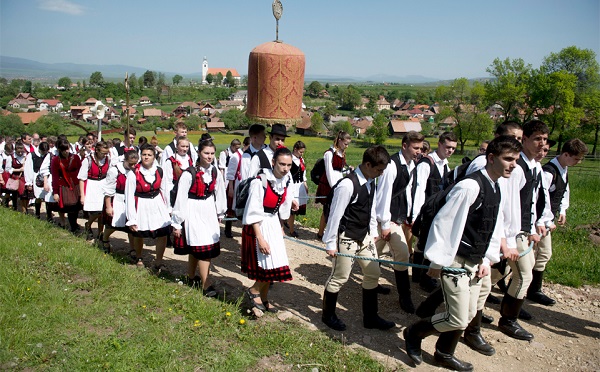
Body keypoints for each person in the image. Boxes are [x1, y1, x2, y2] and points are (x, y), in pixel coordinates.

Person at [404, 135, 522, 371]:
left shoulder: (496, 186)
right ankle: (414, 333)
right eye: (508, 159)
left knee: (468, 314)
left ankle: (444, 353)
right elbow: (444, 223)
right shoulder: (470, 186)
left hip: (476, 262)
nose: (513, 164)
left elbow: (491, 226)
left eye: (516, 160)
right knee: (456, 318)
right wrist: (437, 262)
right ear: (491, 158)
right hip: (456, 261)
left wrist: (487, 258)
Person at [321, 145, 394, 332]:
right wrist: (330, 242)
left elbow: (370, 208)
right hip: (347, 237)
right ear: (368, 164)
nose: (381, 173)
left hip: (364, 237)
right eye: (379, 170)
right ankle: (328, 315)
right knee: (340, 276)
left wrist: (372, 232)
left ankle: (370, 317)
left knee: (373, 272)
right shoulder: (347, 185)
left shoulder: (371, 181)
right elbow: (335, 215)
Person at [528, 138, 588, 305]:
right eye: (576, 158)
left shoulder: (564, 168)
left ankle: (531, 288)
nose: (578, 162)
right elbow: (540, 198)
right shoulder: (549, 172)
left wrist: (562, 210)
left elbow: (564, 190)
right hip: (538, 220)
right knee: (539, 254)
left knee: (538, 256)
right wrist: (545, 220)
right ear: (566, 154)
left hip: (548, 219)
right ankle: (531, 290)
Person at [241, 147, 296, 315]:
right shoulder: (260, 182)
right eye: (282, 164)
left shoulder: (286, 181)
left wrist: (281, 223)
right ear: (273, 162)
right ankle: (254, 290)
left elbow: (281, 209)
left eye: (289, 165)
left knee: (276, 263)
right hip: (259, 225)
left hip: (272, 223)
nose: (285, 168)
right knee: (266, 265)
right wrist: (260, 238)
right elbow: (252, 212)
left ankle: (264, 298)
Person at [375, 131, 424, 313]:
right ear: (404, 146)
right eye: (415, 148)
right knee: (402, 254)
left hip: (396, 218)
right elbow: (384, 195)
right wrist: (386, 224)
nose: (419, 151)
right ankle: (405, 296)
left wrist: (410, 214)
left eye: (420, 148)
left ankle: (372, 283)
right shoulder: (392, 166)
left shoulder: (410, 164)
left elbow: (407, 192)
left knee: (375, 255)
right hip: (387, 219)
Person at [172, 140, 226, 297]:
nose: (209, 157)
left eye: (211, 153)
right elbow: (180, 198)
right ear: (199, 154)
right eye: (206, 153)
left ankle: (191, 277)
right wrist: (177, 223)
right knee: (203, 248)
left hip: (208, 209)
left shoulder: (215, 172)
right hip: (193, 210)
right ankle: (206, 283)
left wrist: (220, 213)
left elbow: (220, 193)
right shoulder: (189, 174)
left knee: (200, 245)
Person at [412, 131, 458, 292]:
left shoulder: (445, 164)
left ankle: (417, 275)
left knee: (423, 244)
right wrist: (416, 214)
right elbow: (418, 190)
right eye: (448, 147)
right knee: (427, 245)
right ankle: (424, 278)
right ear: (439, 144)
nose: (450, 151)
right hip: (427, 211)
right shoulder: (427, 164)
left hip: (437, 212)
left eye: (453, 148)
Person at [125, 144, 172, 269]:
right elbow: (129, 197)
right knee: (140, 233)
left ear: (154, 157)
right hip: (141, 203)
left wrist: (168, 208)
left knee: (163, 232)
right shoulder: (133, 174)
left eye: (149, 155)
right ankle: (139, 257)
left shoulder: (159, 171)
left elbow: (165, 190)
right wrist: (131, 218)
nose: (146, 157)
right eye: (144, 154)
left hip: (157, 203)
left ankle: (158, 261)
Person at [224, 124, 266, 238]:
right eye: (263, 136)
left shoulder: (266, 151)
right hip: (250, 187)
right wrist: (232, 187)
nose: (265, 138)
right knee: (233, 209)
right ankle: (230, 229)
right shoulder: (245, 156)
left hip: (265, 189)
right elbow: (244, 177)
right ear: (254, 138)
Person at [101, 150, 139, 253]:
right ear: (125, 160)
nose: (133, 166)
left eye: (135, 163)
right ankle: (104, 238)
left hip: (130, 199)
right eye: (131, 164)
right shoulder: (115, 170)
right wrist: (108, 206)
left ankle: (132, 248)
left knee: (130, 225)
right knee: (112, 225)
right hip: (117, 199)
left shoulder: (136, 171)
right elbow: (108, 189)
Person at [316, 131, 352, 239]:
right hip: (328, 184)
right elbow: (329, 171)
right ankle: (321, 232)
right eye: (345, 144)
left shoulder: (341, 153)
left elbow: (339, 171)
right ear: (340, 141)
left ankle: (331, 233)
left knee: (335, 209)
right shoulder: (329, 153)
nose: (347, 146)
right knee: (327, 209)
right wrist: (334, 187)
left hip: (338, 182)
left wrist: (348, 171)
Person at [78, 141, 112, 241]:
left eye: (106, 153)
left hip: (103, 185)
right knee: (96, 211)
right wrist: (82, 195)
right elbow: (81, 178)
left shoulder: (108, 159)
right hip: (92, 186)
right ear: (96, 150)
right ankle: (88, 224)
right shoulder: (88, 160)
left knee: (102, 211)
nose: (105, 155)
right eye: (103, 153)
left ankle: (100, 232)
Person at [51, 138, 83, 233]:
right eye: (64, 149)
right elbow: (55, 177)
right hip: (64, 185)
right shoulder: (56, 160)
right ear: (59, 150)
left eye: (67, 149)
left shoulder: (76, 158)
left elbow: (81, 172)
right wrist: (55, 192)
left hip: (76, 184)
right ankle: (73, 227)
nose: (66, 151)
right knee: (70, 206)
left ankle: (74, 224)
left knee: (76, 206)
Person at [161, 137, 194, 211]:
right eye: (182, 146)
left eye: (187, 146)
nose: (185, 149)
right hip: (175, 194)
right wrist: (168, 204)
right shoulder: (171, 161)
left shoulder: (189, 160)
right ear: (177, 146)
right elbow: (167, 183)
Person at [24, 141, 53, 220]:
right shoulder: (32, 155)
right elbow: (28, 168)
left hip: (48, 177)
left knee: (48, 197)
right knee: (38, 197)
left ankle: (49, 215)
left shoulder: (49, 155)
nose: (44, 153)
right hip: (36, 177)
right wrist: (29, 182)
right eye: (43, 151)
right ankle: (37, 214)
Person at [287, 141, 308, 238]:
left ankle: (288, 224)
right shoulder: (289, 159)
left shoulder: (301, 160)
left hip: (299, 186)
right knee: (291, 209)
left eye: (303, 152)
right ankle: (291, 230)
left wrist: (305, 184)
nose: (302, 154)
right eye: (300, 152)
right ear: (295, 149)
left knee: (295, 209)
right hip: (292, 185)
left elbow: (303, 174)